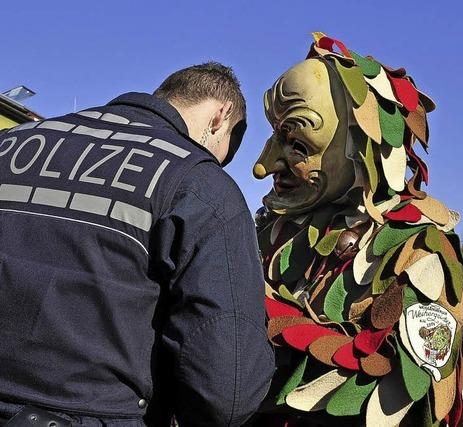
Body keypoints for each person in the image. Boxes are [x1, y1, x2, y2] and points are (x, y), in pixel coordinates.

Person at [0, 62, 274, 426]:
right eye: (224, 153)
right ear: (220, 117)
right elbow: (226, 388)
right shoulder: (199, 183)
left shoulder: (12, 143)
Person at [251, 33, 463, 426]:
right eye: (274, 138)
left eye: (299, 145)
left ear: (361, 144)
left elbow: (399, 390)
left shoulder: (418, 250)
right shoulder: (273, 234)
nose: (263, 165)